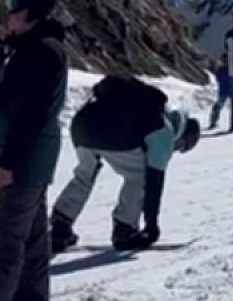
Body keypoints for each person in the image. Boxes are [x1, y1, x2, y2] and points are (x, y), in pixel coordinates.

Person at [50, 75, 200, 254]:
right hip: (114, 132)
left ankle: (60, 226)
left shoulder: (149, 109)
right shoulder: (164, 131)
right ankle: (125, 230)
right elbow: (154, 182)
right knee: (140, 177)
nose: (177, 150)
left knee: (85, 174)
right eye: (183, 146)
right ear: (183, 134)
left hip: (83, 124)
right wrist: (151, 226)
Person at [0, 0, 67, 301]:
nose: (7, 11)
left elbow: (31, 115)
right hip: (33, 157)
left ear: (28, 12)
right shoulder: (33, 48)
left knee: (6, 239)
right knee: (32, 237)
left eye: (12, 4)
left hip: (23, 158)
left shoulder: (40, 53)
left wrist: (8, 163)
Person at [207, 55, 233, 130]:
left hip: (225, 91)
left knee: (220, 107)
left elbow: (217, 76)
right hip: (228, 91)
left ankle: (213, 121)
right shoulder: (230, 70)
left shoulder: (221, 70)